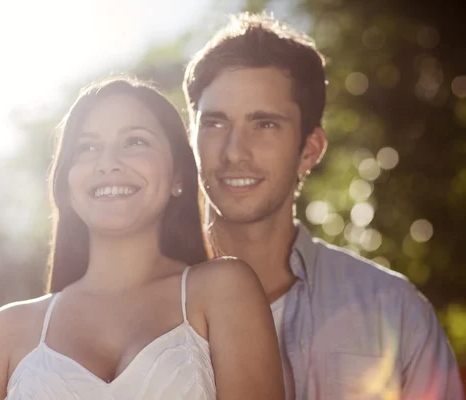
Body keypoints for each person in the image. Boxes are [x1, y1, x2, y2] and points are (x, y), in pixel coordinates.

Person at [183, 12, 464, 400]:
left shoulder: (395, 312)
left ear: (309, 150)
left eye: (265, 124)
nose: (234, 152)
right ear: (190, 137)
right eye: (215, 123)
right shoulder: (147, 307)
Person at [0, 77, 285, 399]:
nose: (108, 163)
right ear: (67, 186)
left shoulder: (224, 290)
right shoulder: (7, 330)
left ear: (178, 177)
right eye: (87, 147)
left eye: (135, 142)